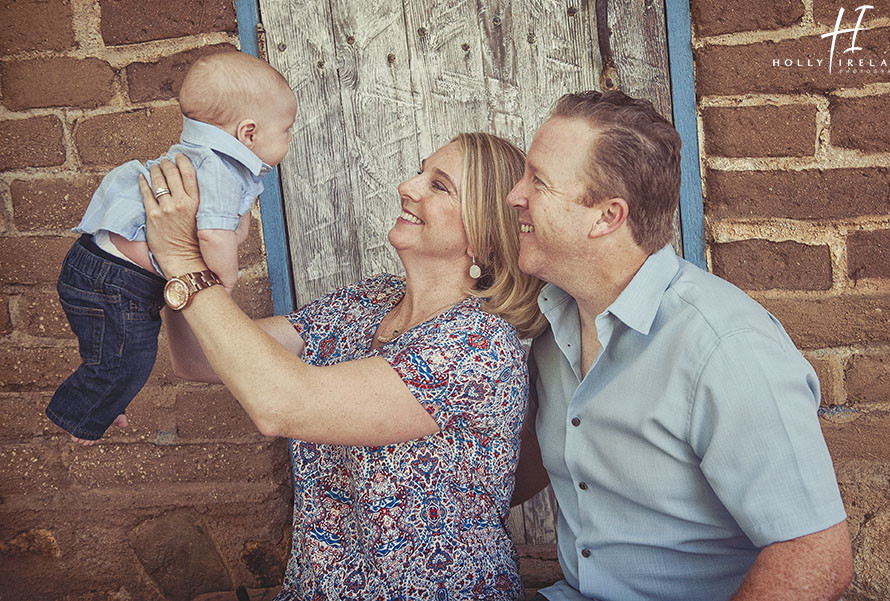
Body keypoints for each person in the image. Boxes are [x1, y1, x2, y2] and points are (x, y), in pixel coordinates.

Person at [139, 133, 547, 600]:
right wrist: (179, 253)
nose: (407, 186)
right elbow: (197, 356)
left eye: (439, 186)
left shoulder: (476, 344)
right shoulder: (368, 301)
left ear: (485, 235)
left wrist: (184, 263)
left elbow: (282, 404)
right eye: (420, 171)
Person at [507, 91, 854, 601]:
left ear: (606, 216)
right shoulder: (550, 323)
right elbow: (537, 465)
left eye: (537, 181)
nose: (515, 195)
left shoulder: (724, 347)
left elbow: (816, 557)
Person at [47, 51, 297, 444]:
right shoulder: (219, 170)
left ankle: (103, 400)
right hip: (116, 281)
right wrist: (223, 282)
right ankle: (80, 420)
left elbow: (221, 229)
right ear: (249, 133)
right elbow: (214, 236)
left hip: (102, 272)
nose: (290, 138)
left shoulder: (202, 158)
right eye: (286, 129)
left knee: (115, 358)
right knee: (127, 361)